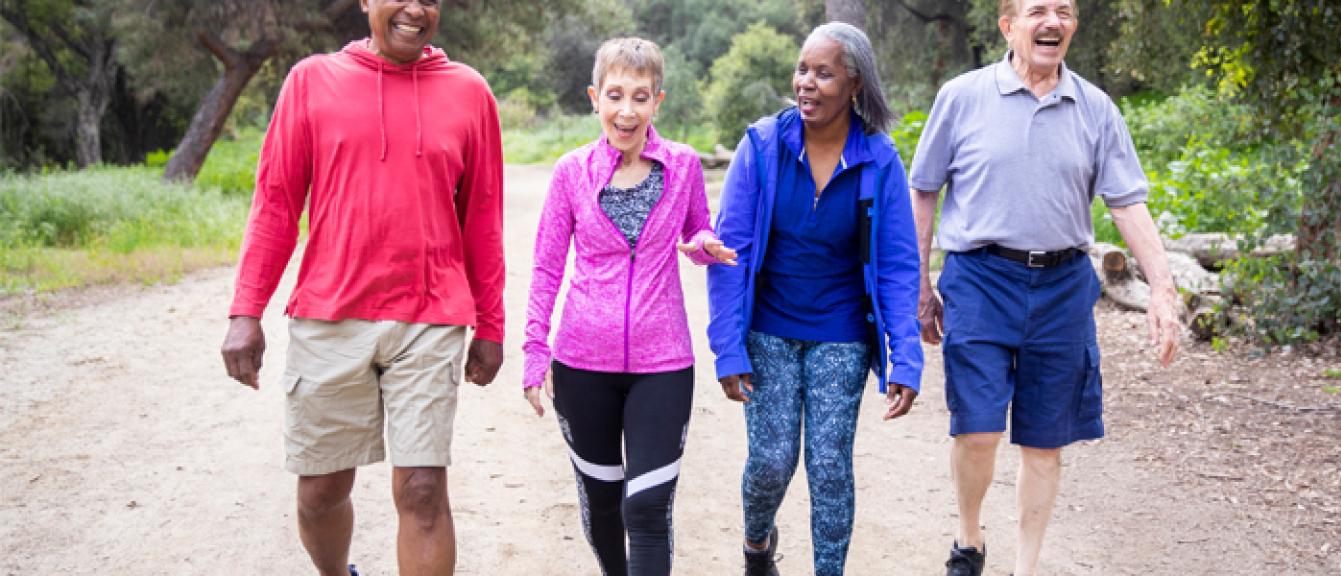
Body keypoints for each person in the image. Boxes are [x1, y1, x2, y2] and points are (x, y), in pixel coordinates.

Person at [218, 0, 505, 574]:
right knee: (319, 494)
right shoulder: (311, 82)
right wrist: (245, 310)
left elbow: (483, 217)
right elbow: (276, 203)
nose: (416, 9)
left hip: (430, 316)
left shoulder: (469, 92)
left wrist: (491, 324)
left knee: (423, 490)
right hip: (330, 313)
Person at [906, 1, 1182, 575]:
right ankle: (969, 539)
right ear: (1008, 27)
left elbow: (1127, 203)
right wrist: (919, 283)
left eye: (1065, 11)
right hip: (980, 277)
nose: (1053, 21)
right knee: (977, 427)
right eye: (1038, 10)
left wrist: (1162, 289)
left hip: (1062, 286)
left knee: (1044, 441)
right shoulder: (962, 97)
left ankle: (1025, 568)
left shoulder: (1095, 108)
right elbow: (925, 190)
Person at [706, 22, 923, 576]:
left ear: (854, 83)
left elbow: (898, 265)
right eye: (803, 70)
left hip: (841, 335)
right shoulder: (761, 148)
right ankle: (757, 546)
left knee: (829, 466)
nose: (807, 83)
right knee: (771, 463)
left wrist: (907, 357)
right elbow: (730, 255)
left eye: (824, 73)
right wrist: (728, 349)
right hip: (769, 332)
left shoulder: (878, 160)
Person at [522, 37, 736, 576]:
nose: (626, 110)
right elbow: (547, 268)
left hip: (663, 364)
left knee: (645, 505)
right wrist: (532, 353)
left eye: (640, 97)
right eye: (615, 95)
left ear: (657, 102)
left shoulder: (684, 165)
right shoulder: (571, 172)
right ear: (595, 97)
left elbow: (697, 227)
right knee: (601, 504)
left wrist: (703, 243)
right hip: (580, 365)